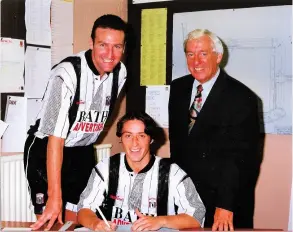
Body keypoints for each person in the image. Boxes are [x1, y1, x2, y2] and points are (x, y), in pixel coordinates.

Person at [24, 14, 128, 230]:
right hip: (48, 149)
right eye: (103, 45)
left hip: (82, 150)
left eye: (117, 47)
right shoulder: (65, 75)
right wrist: (54, 197)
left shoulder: (121, 73)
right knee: (52, 218)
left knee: (83, 215)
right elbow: (55, 139)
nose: (110, 55)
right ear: (91, 44)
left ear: (124, 47)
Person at [168, 29, 260, 230]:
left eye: (203, 54)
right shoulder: (177, 89)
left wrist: (225, 205)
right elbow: (178, 148)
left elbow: (242, 159)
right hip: (183, 198)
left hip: (222, 201)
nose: (196, 61)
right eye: (190, 54)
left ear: (218, 56)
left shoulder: (242, 98)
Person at [77, 111, 206, 231]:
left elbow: (197, 215)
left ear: (151, 139)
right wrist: (95, 224)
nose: (135, 143)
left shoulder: (172, 172)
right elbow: (84, 208)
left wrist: (160, 221)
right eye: (128, 136)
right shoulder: (105, 167)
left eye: (142, 136)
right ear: (120, 138)